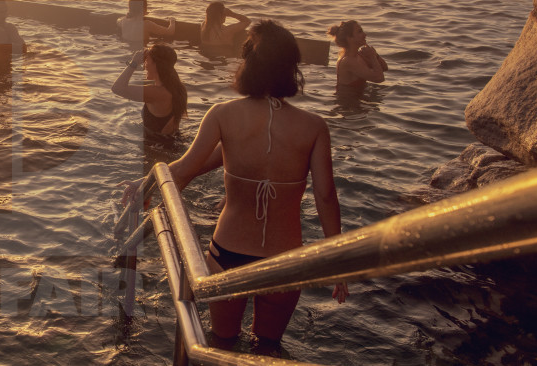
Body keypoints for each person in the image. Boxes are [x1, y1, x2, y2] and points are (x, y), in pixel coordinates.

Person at [124, 20, 347, 343]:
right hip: (285, 259)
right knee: (268, 348)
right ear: (290, 69)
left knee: (222, 341)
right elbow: (326, 196)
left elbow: (186, 168)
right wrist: (336, 261)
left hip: (229, 252)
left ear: (247, 65)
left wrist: (146, 188)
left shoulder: (222, 115)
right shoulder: (313, 127)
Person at [111, 43, 188, 138]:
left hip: (158, 148)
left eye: (146, 61)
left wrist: (134, 63)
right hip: (170, 144)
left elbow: (117, 88)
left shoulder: (157, 93)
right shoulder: (178, 88)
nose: (144, 65)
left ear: (156, 64)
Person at [328, 20, 387, 89]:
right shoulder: (348, 61)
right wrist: (372, 57)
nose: (365, 35)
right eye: (360, 32)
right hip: (347, 98)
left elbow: (384, 68)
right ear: (349, 38)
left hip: (359, 97)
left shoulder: (359, 55)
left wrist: (375, 55)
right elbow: (379, 78)